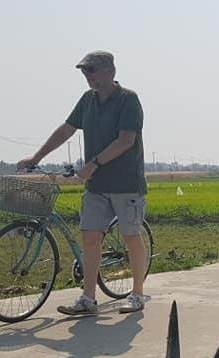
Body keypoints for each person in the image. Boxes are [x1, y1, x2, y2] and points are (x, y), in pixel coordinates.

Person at [17, 51, 148, 315]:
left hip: (125, 183)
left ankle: (137, 294)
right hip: (97, 185)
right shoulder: (88, 100)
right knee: (90, 237)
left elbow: (126, 140)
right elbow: (67, 129)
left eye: (92, 70)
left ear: (109, 71)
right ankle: (88, 299)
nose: (87, 76)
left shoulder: (128, 100)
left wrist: (93, 164)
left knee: (131, 236)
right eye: (84, 72)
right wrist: (37, 156)